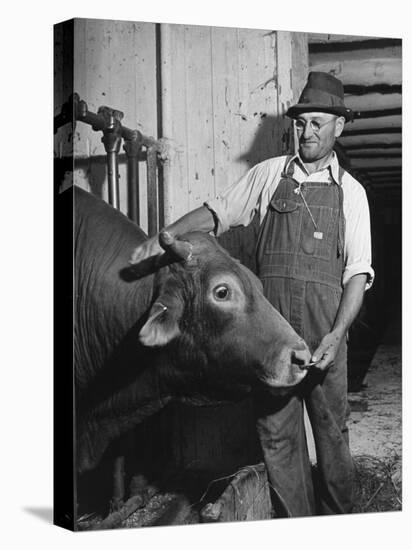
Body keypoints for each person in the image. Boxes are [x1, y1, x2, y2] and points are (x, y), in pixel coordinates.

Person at [130, 71, 374, 517]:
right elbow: (215, 213)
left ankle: (342, 525)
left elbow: (357, 274)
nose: (308, 131)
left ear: (339, 127)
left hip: (325, 337)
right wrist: (163, 236)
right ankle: (295, 526)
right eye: (302, 123)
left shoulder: (352, 196)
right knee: (278, 438)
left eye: (319, 122)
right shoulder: (268, 175)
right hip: (271, 335)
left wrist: (338, 335)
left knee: (332, 434)